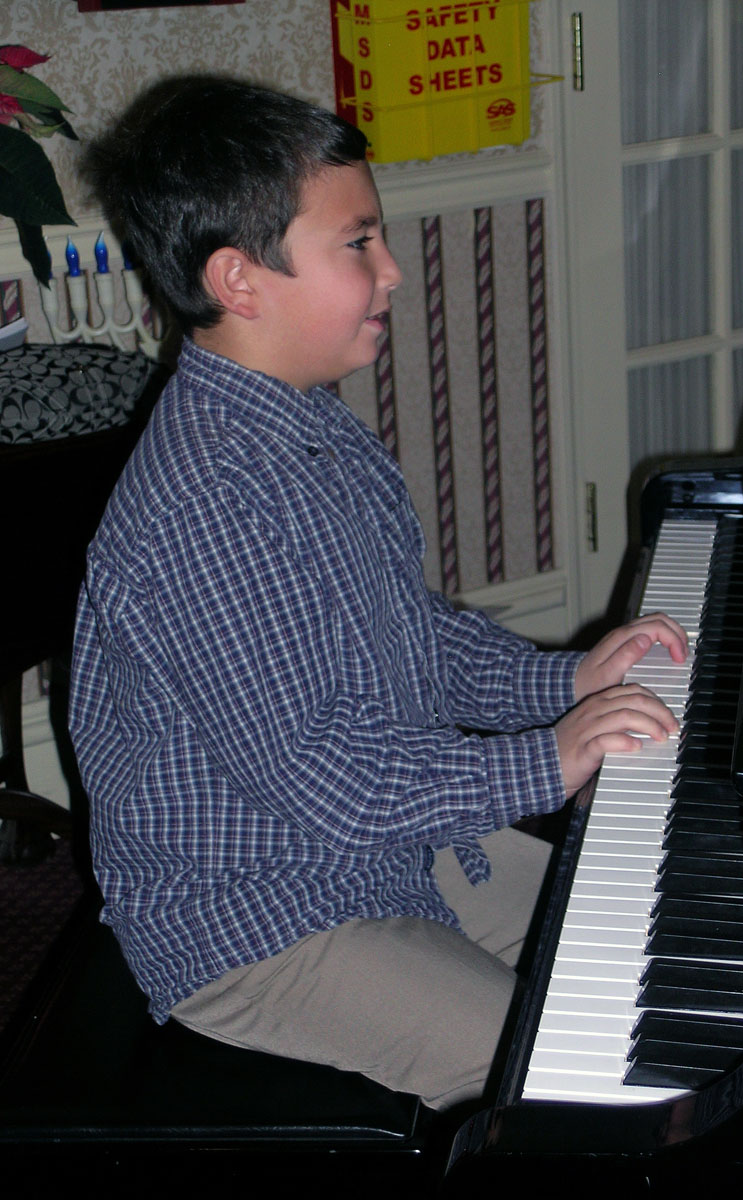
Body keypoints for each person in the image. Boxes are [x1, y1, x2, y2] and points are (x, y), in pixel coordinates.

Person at [69, 75, 687, 1113]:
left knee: (641, 935)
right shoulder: (204, 502)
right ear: (239, 279)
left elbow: (410, 632)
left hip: (382, 848)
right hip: (259, 920)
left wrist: (566, 680)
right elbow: (328, 777)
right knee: (567, 1083)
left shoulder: (308, 425)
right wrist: (546, 759)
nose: (392, 269)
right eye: (358, 243)